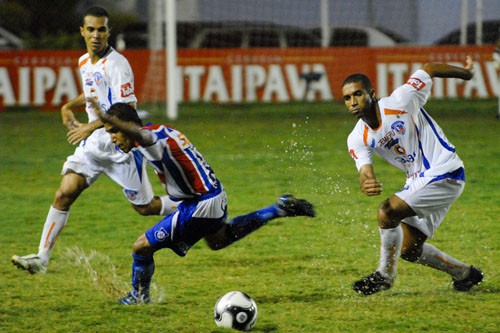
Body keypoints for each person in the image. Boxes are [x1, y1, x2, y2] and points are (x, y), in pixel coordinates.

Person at [90, 100, 315, 304]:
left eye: (114, 131)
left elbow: (140, 135)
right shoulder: (159, 131)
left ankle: (139, 297)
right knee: (219, 240)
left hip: (199, 204)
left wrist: (109, 118)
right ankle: (278, 210)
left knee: (141, 247)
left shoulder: (151, 139)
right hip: (213, 195)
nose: (113, 139)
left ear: (129, 126)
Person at [11, 6, 177, 275]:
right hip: (92, 148)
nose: (96, 35)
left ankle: (193, 207)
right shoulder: (84, 62)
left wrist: (90, 126)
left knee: (145, 207)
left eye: (101, 29)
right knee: (64, 193)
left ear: (108, 32)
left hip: (120, 146)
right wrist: (67, 106)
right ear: (82, 32)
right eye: (91, 29)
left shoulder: (118, 65)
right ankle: (41, 258)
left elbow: (128, 108)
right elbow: (93, 93)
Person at [342, 56, 483, 295]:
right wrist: (366, 182)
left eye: (358, 94)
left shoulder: (401, 100)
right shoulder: (357, 137)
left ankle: (384, 276)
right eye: (347, 98)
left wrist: (466, 74)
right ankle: (466, 274)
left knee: (387, 212)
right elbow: (365, 171)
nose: (353, 102)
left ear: (371, 93)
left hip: (445, 169)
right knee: (408, 249)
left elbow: (429, 69)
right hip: (420, 181)